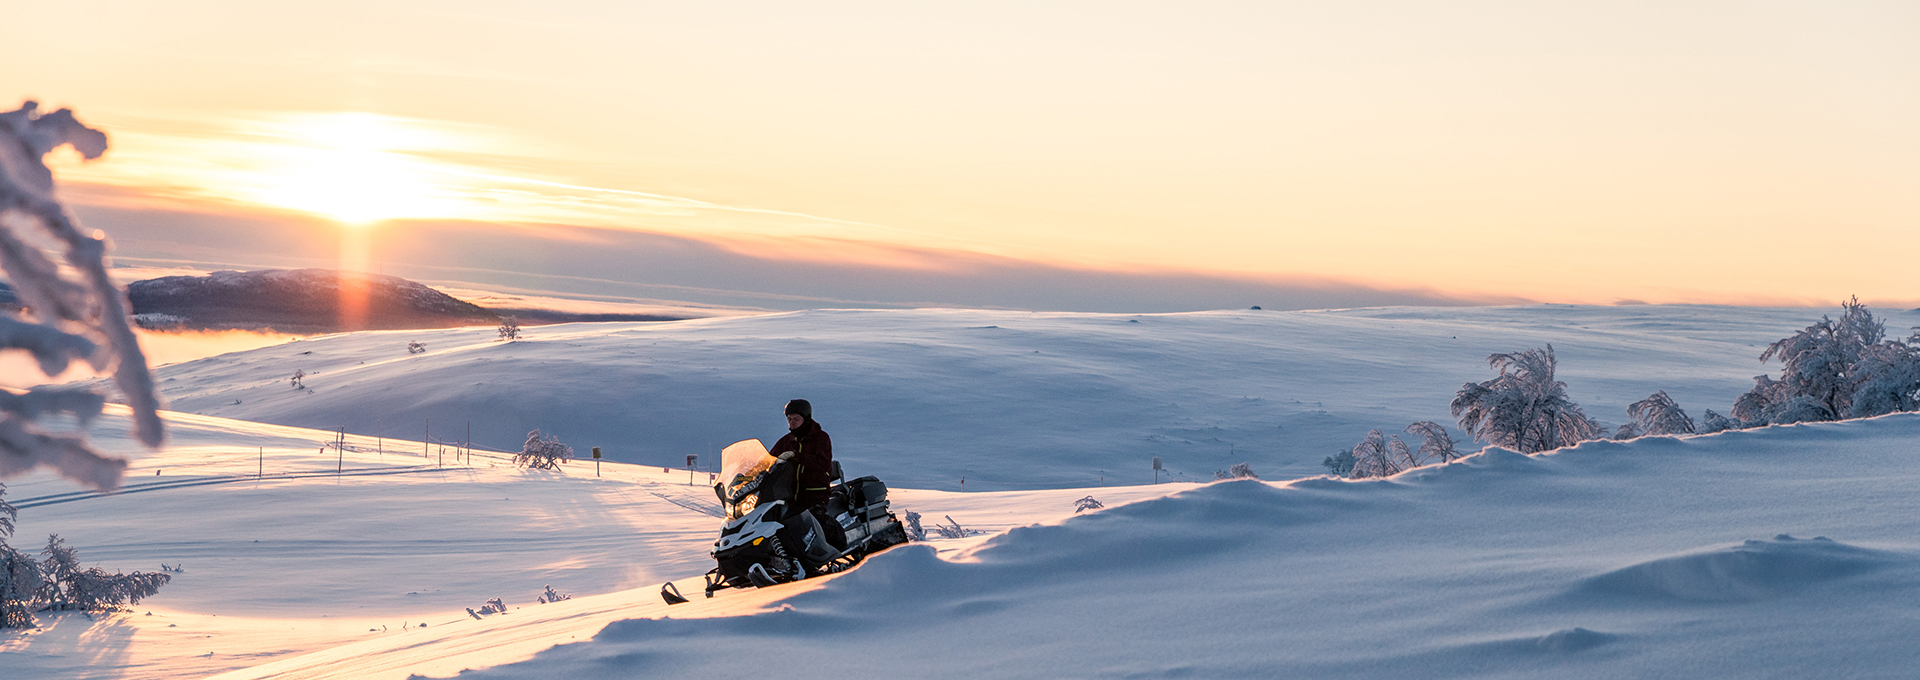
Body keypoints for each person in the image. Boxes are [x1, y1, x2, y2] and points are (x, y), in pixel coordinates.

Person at [770, 399, 845, 548]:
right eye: (789, 419)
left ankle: (841, 546)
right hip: (789, 496)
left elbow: (823, 463)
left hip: (813, 495)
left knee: (818, 523)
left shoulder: (821, 438)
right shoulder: (786, 441)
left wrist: (797, 456)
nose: (792, 423)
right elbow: (769, 459)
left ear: (806, 418)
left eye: (796, 419)